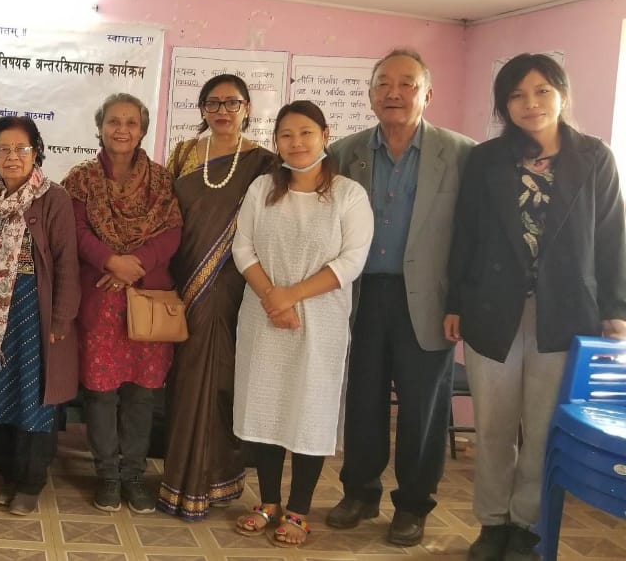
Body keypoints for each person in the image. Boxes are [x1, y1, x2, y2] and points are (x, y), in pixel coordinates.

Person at [445, 53, 626, 561]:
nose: (531, 103)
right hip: (492, 309)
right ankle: (492, 523)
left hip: (565, 312)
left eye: (542, 90)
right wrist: (455, 301)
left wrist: (616, 309)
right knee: (494, 427)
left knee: (544, 427)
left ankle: (526, 524)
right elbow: (465, 235)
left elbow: (612, 237)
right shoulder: (485, 159)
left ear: (562, 95)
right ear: (504, 105)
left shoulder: (594, 157)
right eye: (517, 94)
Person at [327, 50, 475, 546]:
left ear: (427, 94)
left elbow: (473, 237)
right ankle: (360, 492)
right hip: (363, 294)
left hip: (430, 300)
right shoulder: (345, 153)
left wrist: (460, 303)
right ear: (370, 94)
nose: (394, 93)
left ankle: (413, 504)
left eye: (407, 83)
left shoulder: (461, 154)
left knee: (423, 407)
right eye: (383, 84)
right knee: (363, 398)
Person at [230, 101, 373, 547]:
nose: (296, 143)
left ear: (325, 135)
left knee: (310, 408)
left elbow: (351, 261)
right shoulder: (262, 189)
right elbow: (242, 248)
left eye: (306, 132)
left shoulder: (349, 195)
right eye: (286, 135)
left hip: (320, 319)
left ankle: (299, 510)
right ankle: (268, 502)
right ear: (276, 142)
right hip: (263, 314)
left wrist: (289, 296)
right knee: (266, 406)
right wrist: (272, 298)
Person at [158, 75, 276, 521]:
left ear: (247, 108)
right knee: (186, 380)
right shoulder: (184, 154)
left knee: (222, 379)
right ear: (202, 109)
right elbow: (165, 215)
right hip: (182, 283)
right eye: (213, 103)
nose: (222, 111)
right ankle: (179, 481)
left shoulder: (264, 163)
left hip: (233, 286)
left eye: (232, 103)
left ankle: (216, 479)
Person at [62, 93, 181, 514]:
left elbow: (172, 232)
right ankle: (108, 476)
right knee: (101, 393)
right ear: (100, 127)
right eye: (114, 121)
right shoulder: (81, 180)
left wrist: (135, 265)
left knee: (142, 394)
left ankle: (134, 475)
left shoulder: (162, 181)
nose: (122, 129)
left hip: (146, 298)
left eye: (131, 122)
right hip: (101, 298)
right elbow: (76, 232)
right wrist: (112, 261)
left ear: (143, 130)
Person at [0, 116, 80, 516]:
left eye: (21, 148)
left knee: (33, 398)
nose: (12, 156)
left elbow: (67, 262)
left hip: (37, 311)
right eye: (3, 149)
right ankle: (8, 476)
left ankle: (31, 482)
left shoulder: (54, 198)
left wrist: (61, 320)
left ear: (36, 153)